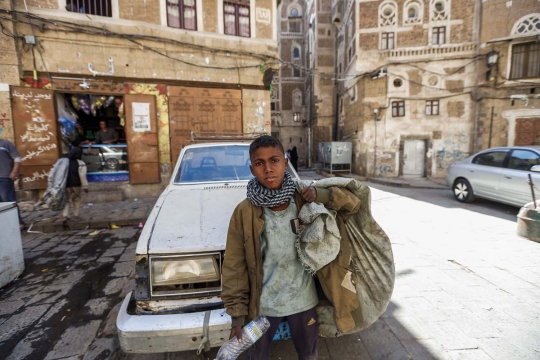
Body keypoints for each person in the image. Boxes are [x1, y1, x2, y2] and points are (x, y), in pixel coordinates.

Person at [221, 135, 360, 360]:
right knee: (257, 357)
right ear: (252, 169)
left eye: (274, 160)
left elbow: (353, 203)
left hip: (304, 302)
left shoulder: (305, 196)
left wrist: (322, 195)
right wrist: (237, 317)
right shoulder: (244, 212)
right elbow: (235, 267)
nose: (268, 168)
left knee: (308, 354)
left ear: (286, 163)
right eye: (259, 163)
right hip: (263, 308)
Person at [0, 138, 25, 229]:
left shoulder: (5, 144)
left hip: (5, 177)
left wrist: (14, 171)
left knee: (8, 200)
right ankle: (5, 224)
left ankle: (18, 222)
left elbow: (17, 158)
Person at [62, 146, 88, 222]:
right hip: (76, 184)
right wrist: (85, 186)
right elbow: (82, 175)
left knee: (67, 200)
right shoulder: (81, 163)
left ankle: (65, 215)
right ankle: (75, 216)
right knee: (76, 199)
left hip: (66, 184)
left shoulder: (64, 162)